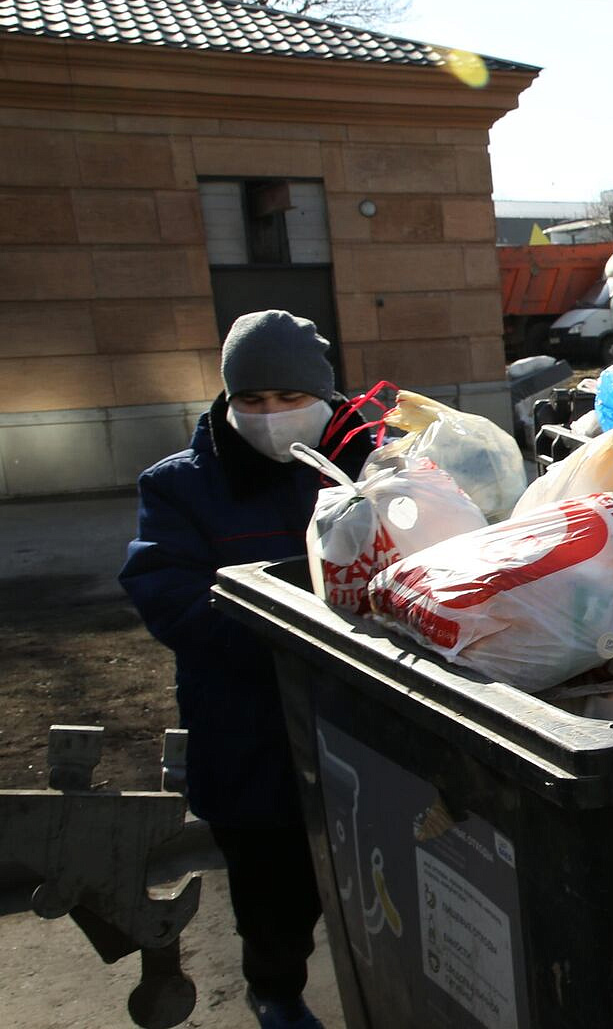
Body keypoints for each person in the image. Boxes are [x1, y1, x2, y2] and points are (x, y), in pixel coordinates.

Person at [121, 311, 374, 1029]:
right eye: (252, 401)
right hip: (248, 724)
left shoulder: (368, 466)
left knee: (374, 868)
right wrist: (286, 634)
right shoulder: (182, 486)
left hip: (363, 721)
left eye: (289, 399)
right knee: (272, 886)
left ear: (326, 398)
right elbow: (165, 594)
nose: (270, 417)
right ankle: (276, 989)